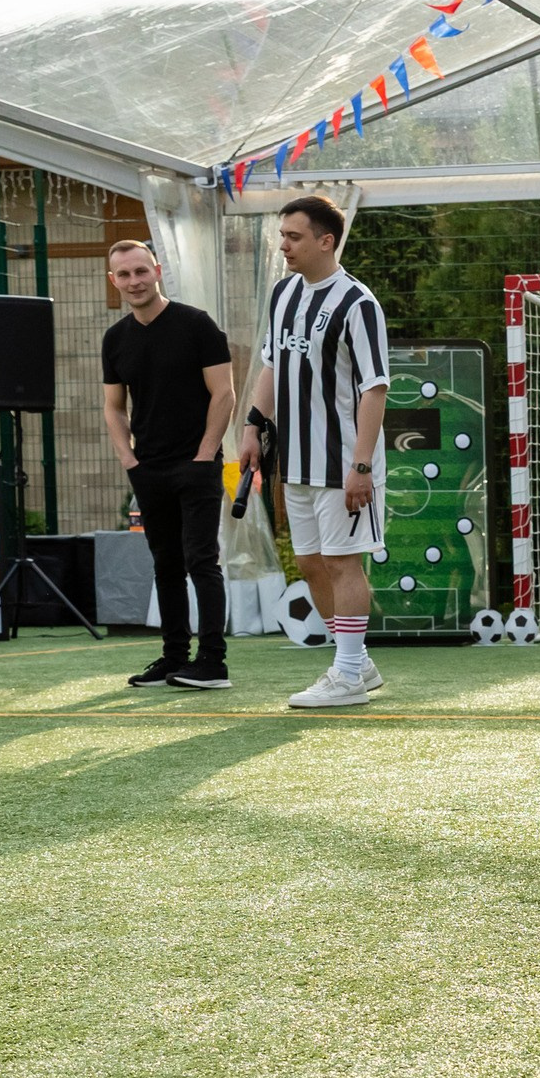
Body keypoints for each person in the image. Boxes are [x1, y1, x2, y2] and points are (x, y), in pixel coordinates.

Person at [239, 196, 391, 710]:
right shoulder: (284, 294)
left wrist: (362, 466)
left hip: (344, 462)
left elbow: (375, 388)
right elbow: (271, 365)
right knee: (310, 564)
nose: (283, 246)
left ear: (326, 241)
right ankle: (357, 663)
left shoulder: (358, 303)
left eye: (294, 237)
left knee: (343, 563)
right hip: (296, 462)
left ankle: (347, 673)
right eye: (282, 236)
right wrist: (251, 426)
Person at [101, 239, 237, 692]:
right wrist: (129, 458)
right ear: (113, 281)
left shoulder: (196, 325)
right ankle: (174, 658)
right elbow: (114, 406)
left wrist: (205, 453)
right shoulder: (115, 338)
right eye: (124, 275)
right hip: (148, 468)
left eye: (141, 271)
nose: (134, 281)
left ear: (157, 271)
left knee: (202, 561)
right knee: (165, 565)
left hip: (196, 466)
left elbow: (225, 393)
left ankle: (213, 663)